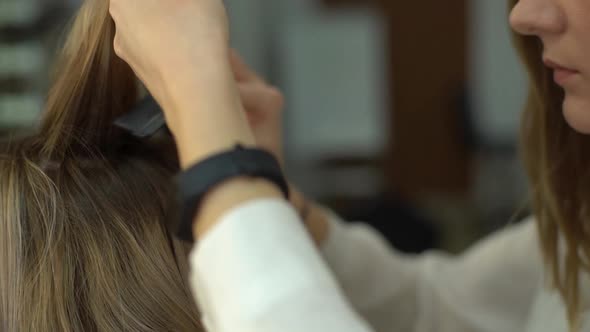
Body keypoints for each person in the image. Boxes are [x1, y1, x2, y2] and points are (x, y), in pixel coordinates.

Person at [106, 0, 590, 331]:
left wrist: (219, 152)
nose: (526, 14)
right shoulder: (579, 230)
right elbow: (435, 310)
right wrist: (281, 208)